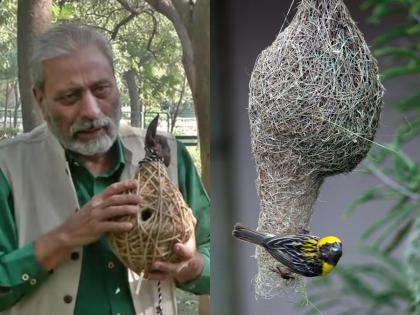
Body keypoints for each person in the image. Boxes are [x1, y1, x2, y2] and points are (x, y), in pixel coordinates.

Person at [0, 23, 210, 315]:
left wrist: (191, 265)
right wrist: (65, 237)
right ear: (40, 99)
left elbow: (218, 256)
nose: (91, 111)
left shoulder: (169, 154)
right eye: (70, 97)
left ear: (115, 83)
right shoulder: (7, 168)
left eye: (101, 89)